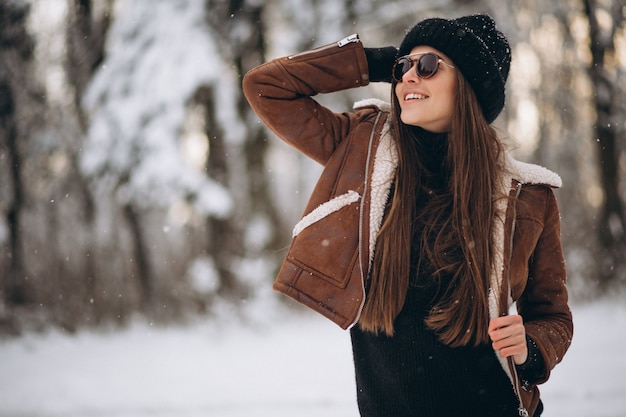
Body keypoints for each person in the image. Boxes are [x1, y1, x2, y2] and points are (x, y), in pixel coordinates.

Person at [243, 14, 573, 417]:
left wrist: (531, 348)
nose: (407, 78)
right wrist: (375, 62)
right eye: (403, 67)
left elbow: (552, 316)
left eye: (429, 66)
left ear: (469, 86)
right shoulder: (360, 152)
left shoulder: (527, 197)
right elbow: (266, 87)